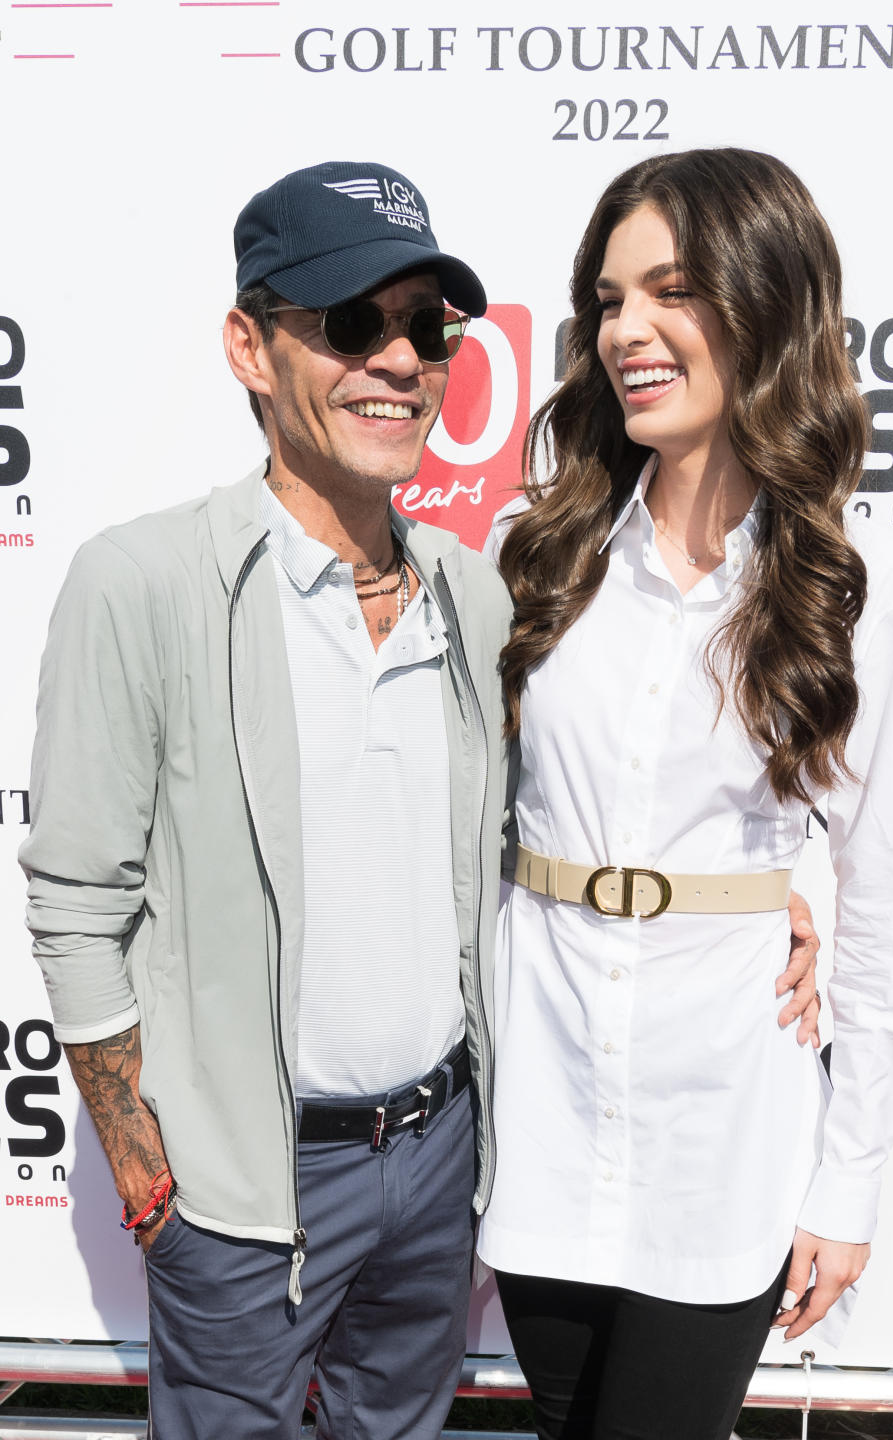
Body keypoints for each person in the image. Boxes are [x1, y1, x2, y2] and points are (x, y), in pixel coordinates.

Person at [19, 157, 818, 1440]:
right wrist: (138, 1154)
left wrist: (784, 895)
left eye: (425, 327)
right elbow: (75, 889)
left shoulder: (483, 590)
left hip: (443, 1167)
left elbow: (581, 808)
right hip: (244, 1186)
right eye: (347, 323)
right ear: (249, 345)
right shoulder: (142, 582)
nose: (396, 359)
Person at [478, 148, 893, 1440]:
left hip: (724, 1143)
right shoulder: (545, 555)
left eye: (670, 290)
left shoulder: (861, 595)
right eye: (610, 297)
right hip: (547, 1123)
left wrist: (847, 1183)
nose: (626, 328)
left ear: (764, 300)